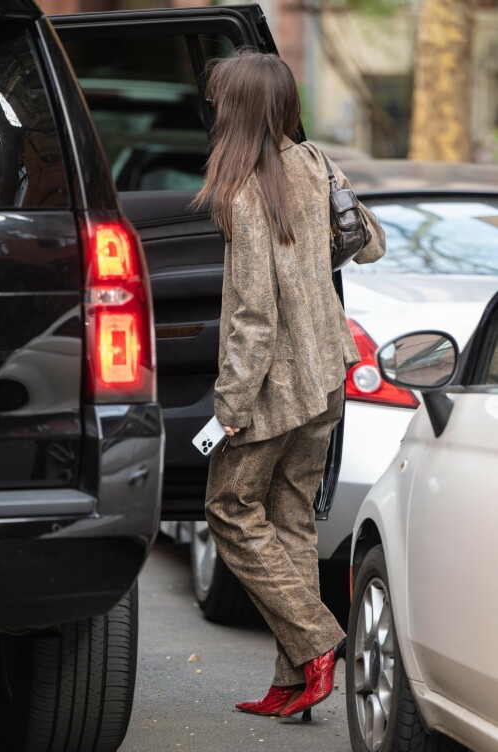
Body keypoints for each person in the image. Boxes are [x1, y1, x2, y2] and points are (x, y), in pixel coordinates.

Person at [194, 49, 385, 720]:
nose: (214, 106)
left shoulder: (243, 189)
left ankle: (314, 641)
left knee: (229, 510)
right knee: (291, 521)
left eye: (220, 97)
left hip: (274, 389)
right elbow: (369, 244)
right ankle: (296, 684)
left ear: (239, 108)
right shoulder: (315, 164)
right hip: (326, 374)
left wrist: (232, 406)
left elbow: (251, 314)